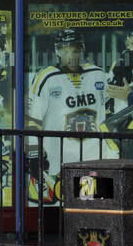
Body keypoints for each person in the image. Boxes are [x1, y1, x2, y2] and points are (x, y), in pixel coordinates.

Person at [25, 29, 112, 201]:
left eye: (75, 49)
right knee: (52, 213)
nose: (71, 55)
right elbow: (32, 119)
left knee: (87, 207)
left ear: (82, 50)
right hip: (56, 162)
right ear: (57, 51)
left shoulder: (97, 74)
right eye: (65, 50)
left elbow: (109, 111)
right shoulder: (46, 77)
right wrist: (34, 155)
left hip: (91, 160)